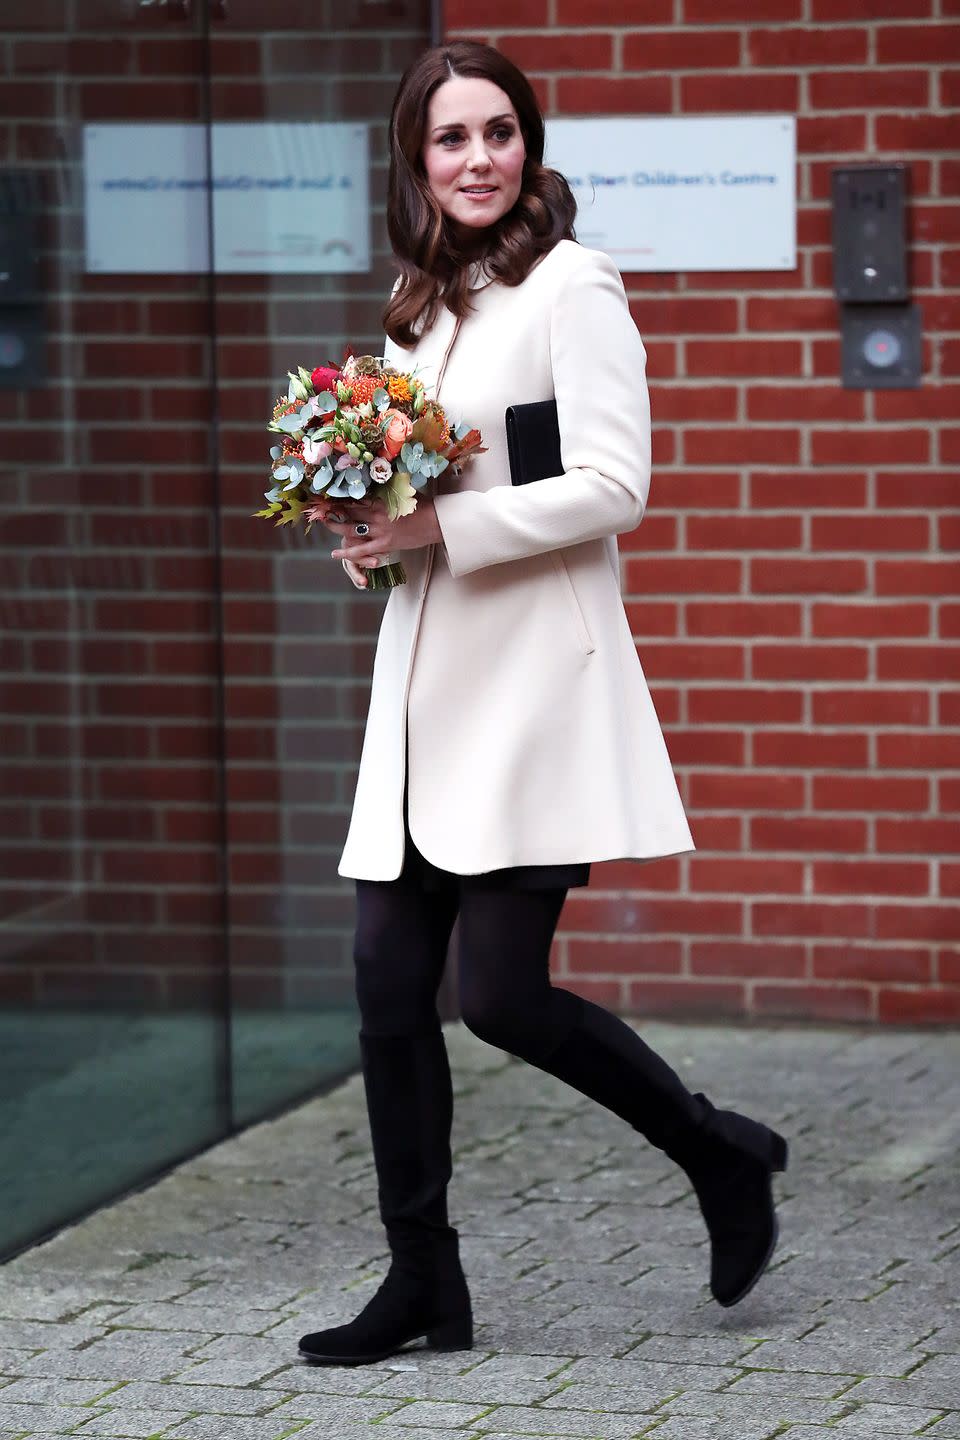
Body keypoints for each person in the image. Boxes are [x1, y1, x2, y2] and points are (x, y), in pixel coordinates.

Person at [298, 40, 788, 1367]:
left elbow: (616, 485)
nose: (476, 160)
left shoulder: (575, 286)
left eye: (498, 133)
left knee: (502, 999)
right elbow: (427, 497)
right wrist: (374, 530)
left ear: (530, 144)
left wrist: (442, 536)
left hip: (530, 686)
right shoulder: (417, 301)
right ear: (418, 160)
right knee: (387, 989)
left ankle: (720, 1155)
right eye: (450, 140)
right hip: (419, 686)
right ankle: (424, 1284)